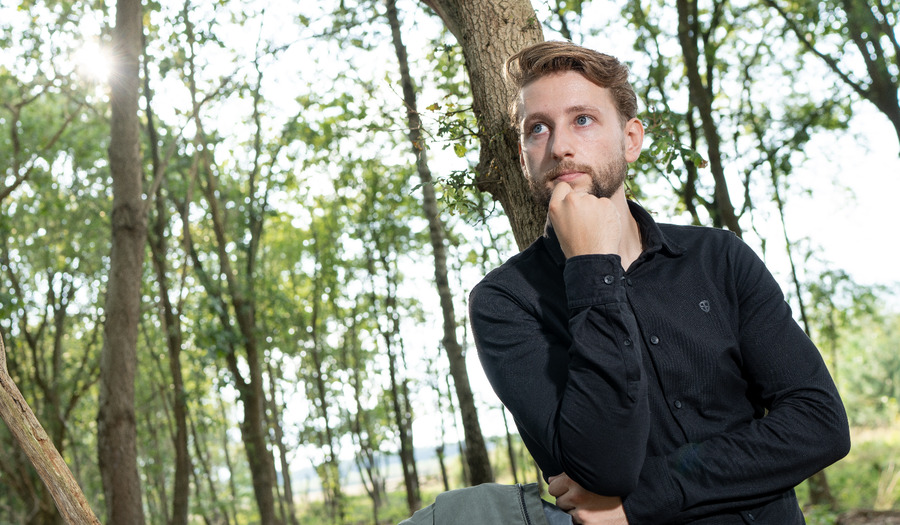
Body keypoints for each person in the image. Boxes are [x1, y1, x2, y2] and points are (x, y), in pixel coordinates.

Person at [468, 40, 851, 525]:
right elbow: (601, 468)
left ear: (630, 140)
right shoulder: (504, 302)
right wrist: (591, 266)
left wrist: (640, 501)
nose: (560, 145)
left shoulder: (719, 258)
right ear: (524, 157)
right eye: (538, 128)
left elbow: (821, 425)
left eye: (582, 119)